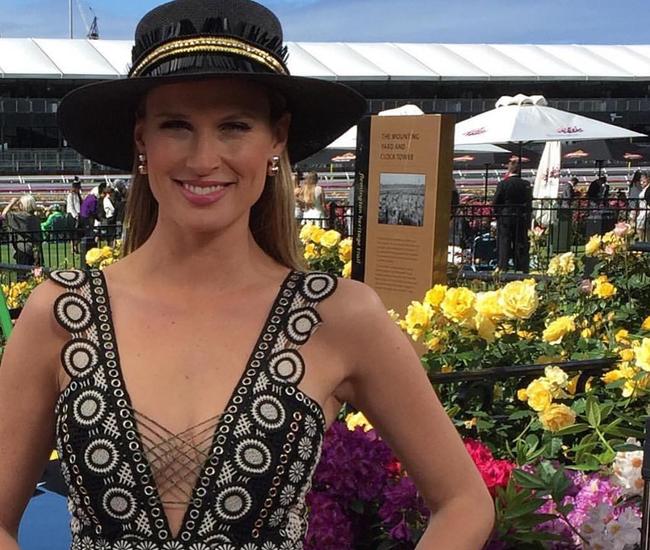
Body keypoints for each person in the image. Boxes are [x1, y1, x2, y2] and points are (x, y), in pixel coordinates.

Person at [0, 1, 494, 549]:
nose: (205, 158)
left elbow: (464, 503)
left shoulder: (337, 315)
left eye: (234, 126)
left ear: (276, 138)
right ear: (142, 139)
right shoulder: (65, 314)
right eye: (176, 126)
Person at [492, 159, 533, 272]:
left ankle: (502, 266)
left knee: (504, 242)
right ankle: (520, 266)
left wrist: (497, 214)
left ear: (509, 170)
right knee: (520, 242)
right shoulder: (525, 184)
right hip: (520, 216)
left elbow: (495, 202)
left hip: (505, 217)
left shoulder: (503, 184)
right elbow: (529, 202)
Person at [1, 194, 42, 269]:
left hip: (23, 249)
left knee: (23, 273)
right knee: (35, 273)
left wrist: (11, 203)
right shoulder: (35, 218)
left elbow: (4, 215)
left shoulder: (22, 217)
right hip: (36, 248)